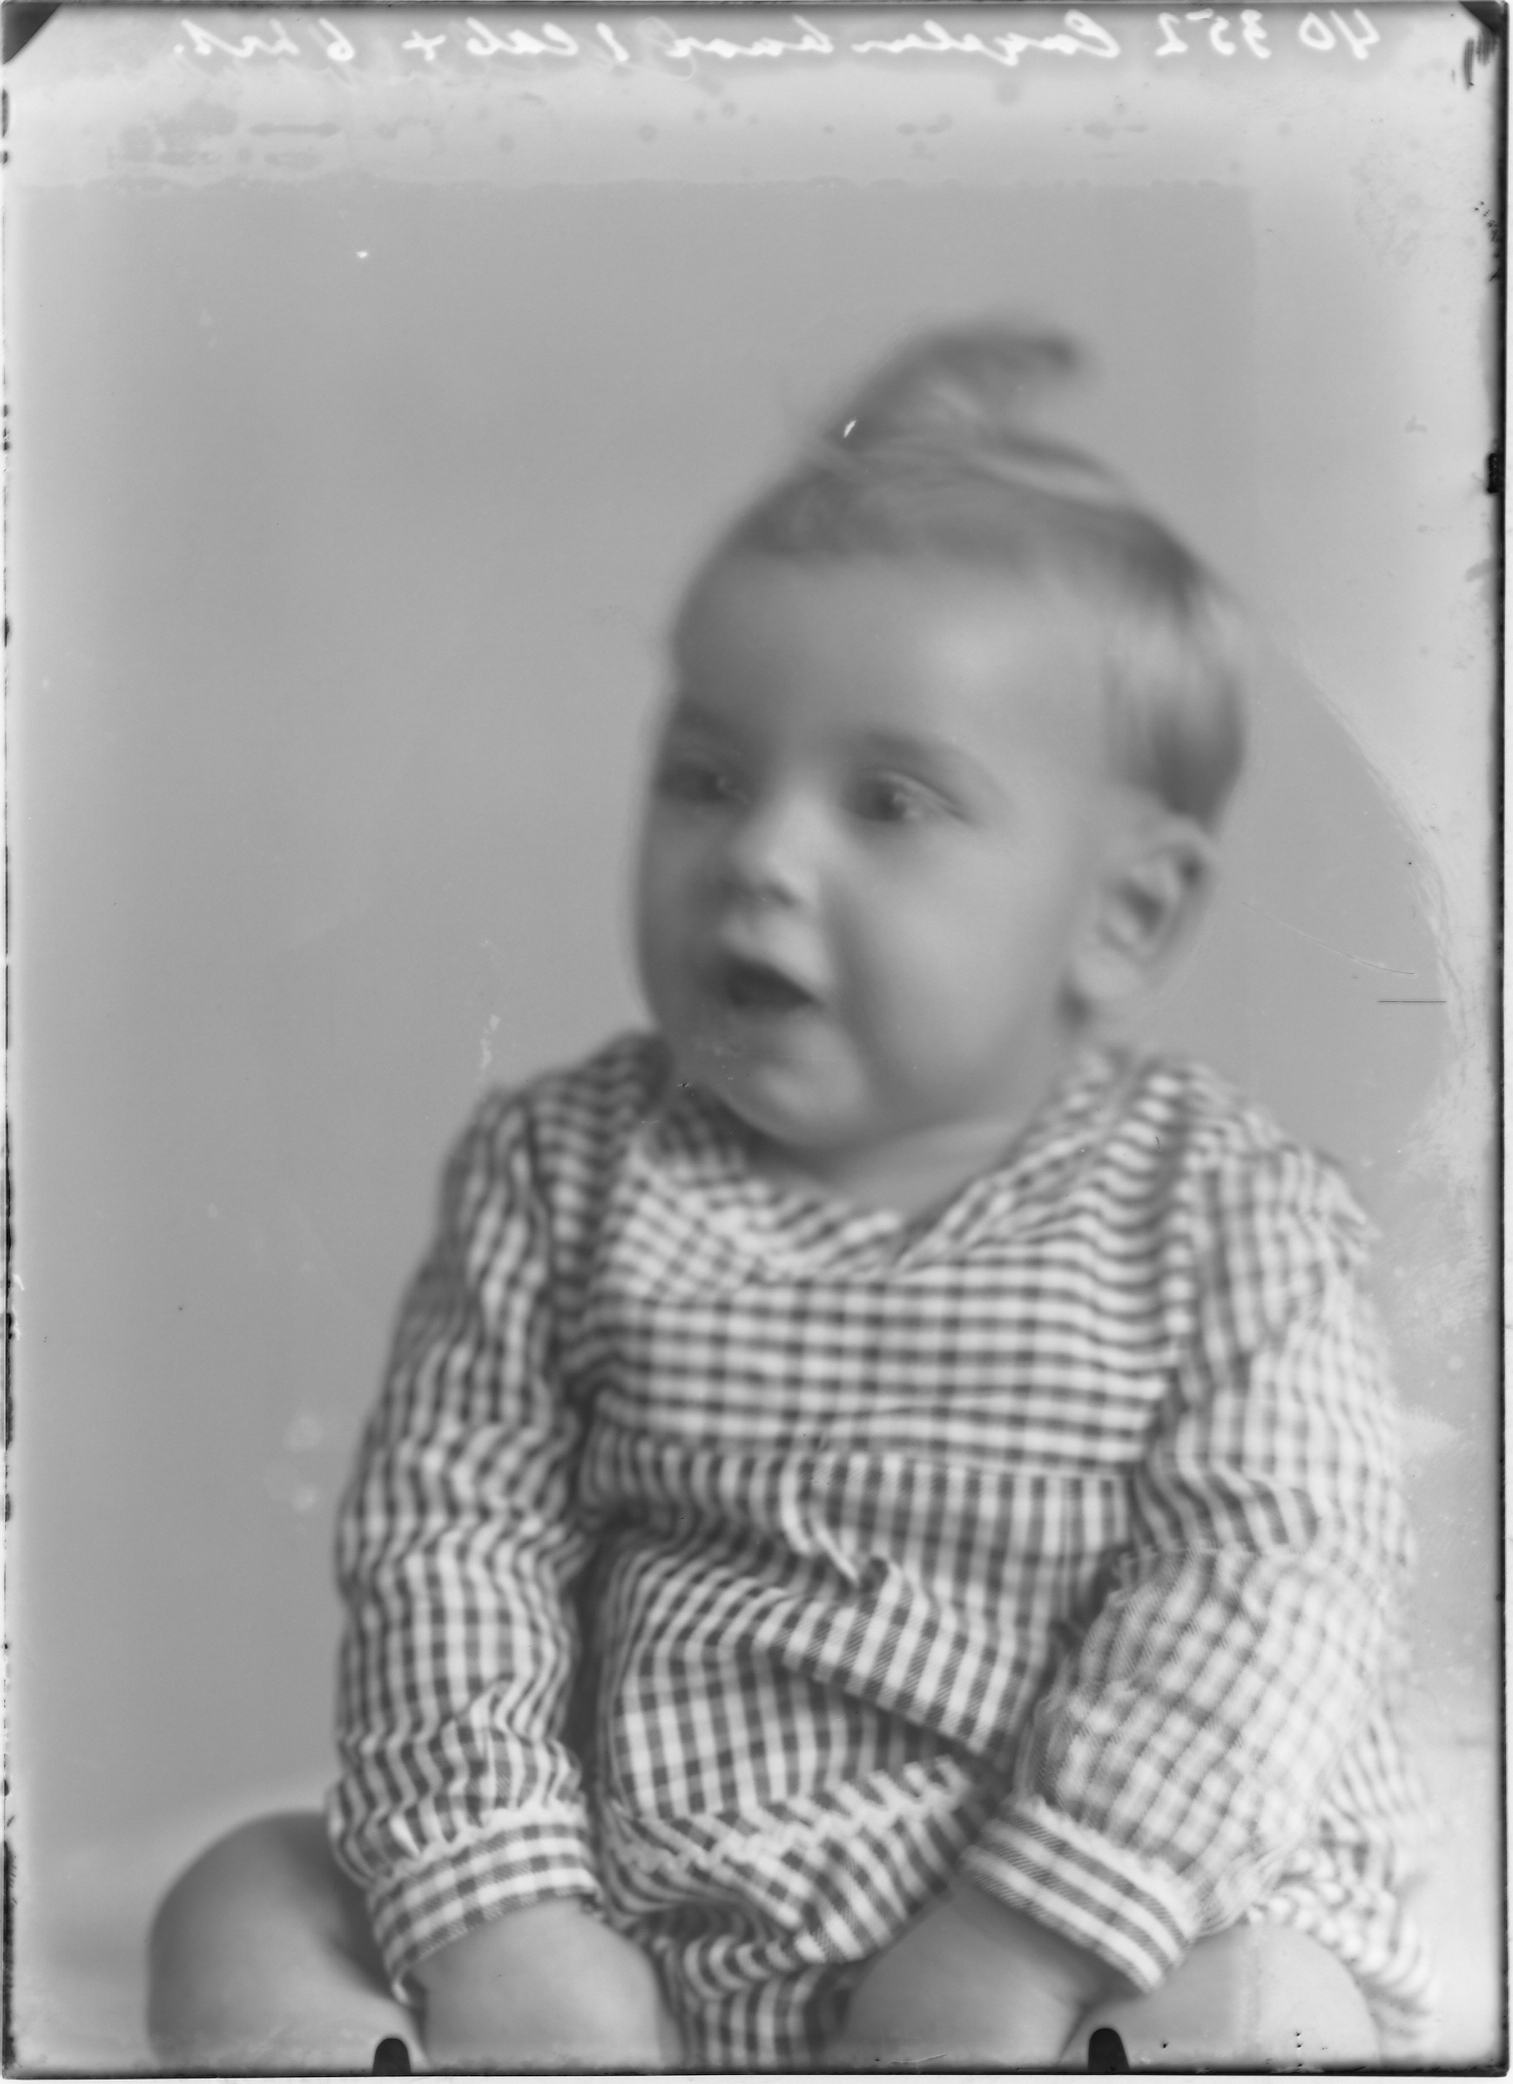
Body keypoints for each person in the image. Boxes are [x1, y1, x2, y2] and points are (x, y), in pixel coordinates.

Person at [148, 326, 1434, 2072]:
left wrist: (1027, 1933)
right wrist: (502, 1911)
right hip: (637, 1934)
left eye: (888, 800)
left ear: (1118, 915)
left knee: (1264, 2005)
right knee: (238, 1898)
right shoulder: (561, 1174)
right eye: (707, 777)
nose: (757, 856)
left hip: (1089, 1942)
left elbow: (1264, 1594)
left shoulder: (1227, 1220)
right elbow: (451, 1546)